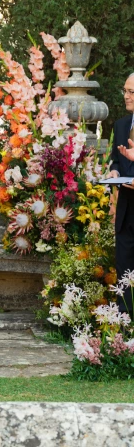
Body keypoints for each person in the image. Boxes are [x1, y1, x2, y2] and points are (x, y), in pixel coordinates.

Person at [107, 73, 134, 313]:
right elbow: (116, 160)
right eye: (124, 90)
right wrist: (114, 172)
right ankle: (123, 331)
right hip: (126, 214)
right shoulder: (121, 125)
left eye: (131, 92)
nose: (126, 96)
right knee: (124, 274)